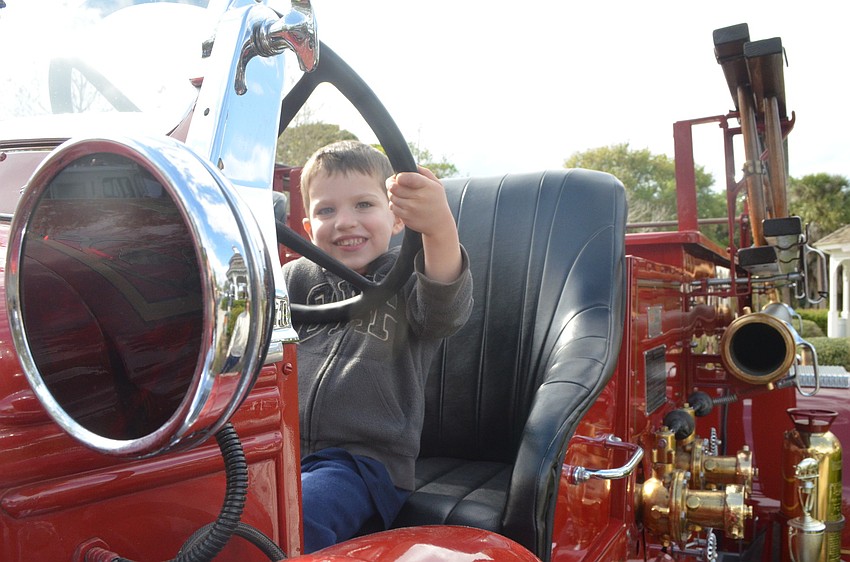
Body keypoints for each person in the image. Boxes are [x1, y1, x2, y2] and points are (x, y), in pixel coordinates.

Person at [281, 140, 473, 553]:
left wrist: (439, 228)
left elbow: (445, 308)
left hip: (363, 464)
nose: (345, 222)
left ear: (397, 217)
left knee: (293, 514)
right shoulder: (294, 279)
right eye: (327, 210)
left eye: (364, 205)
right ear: (308, 227)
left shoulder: (408, 279)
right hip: (277, 450)